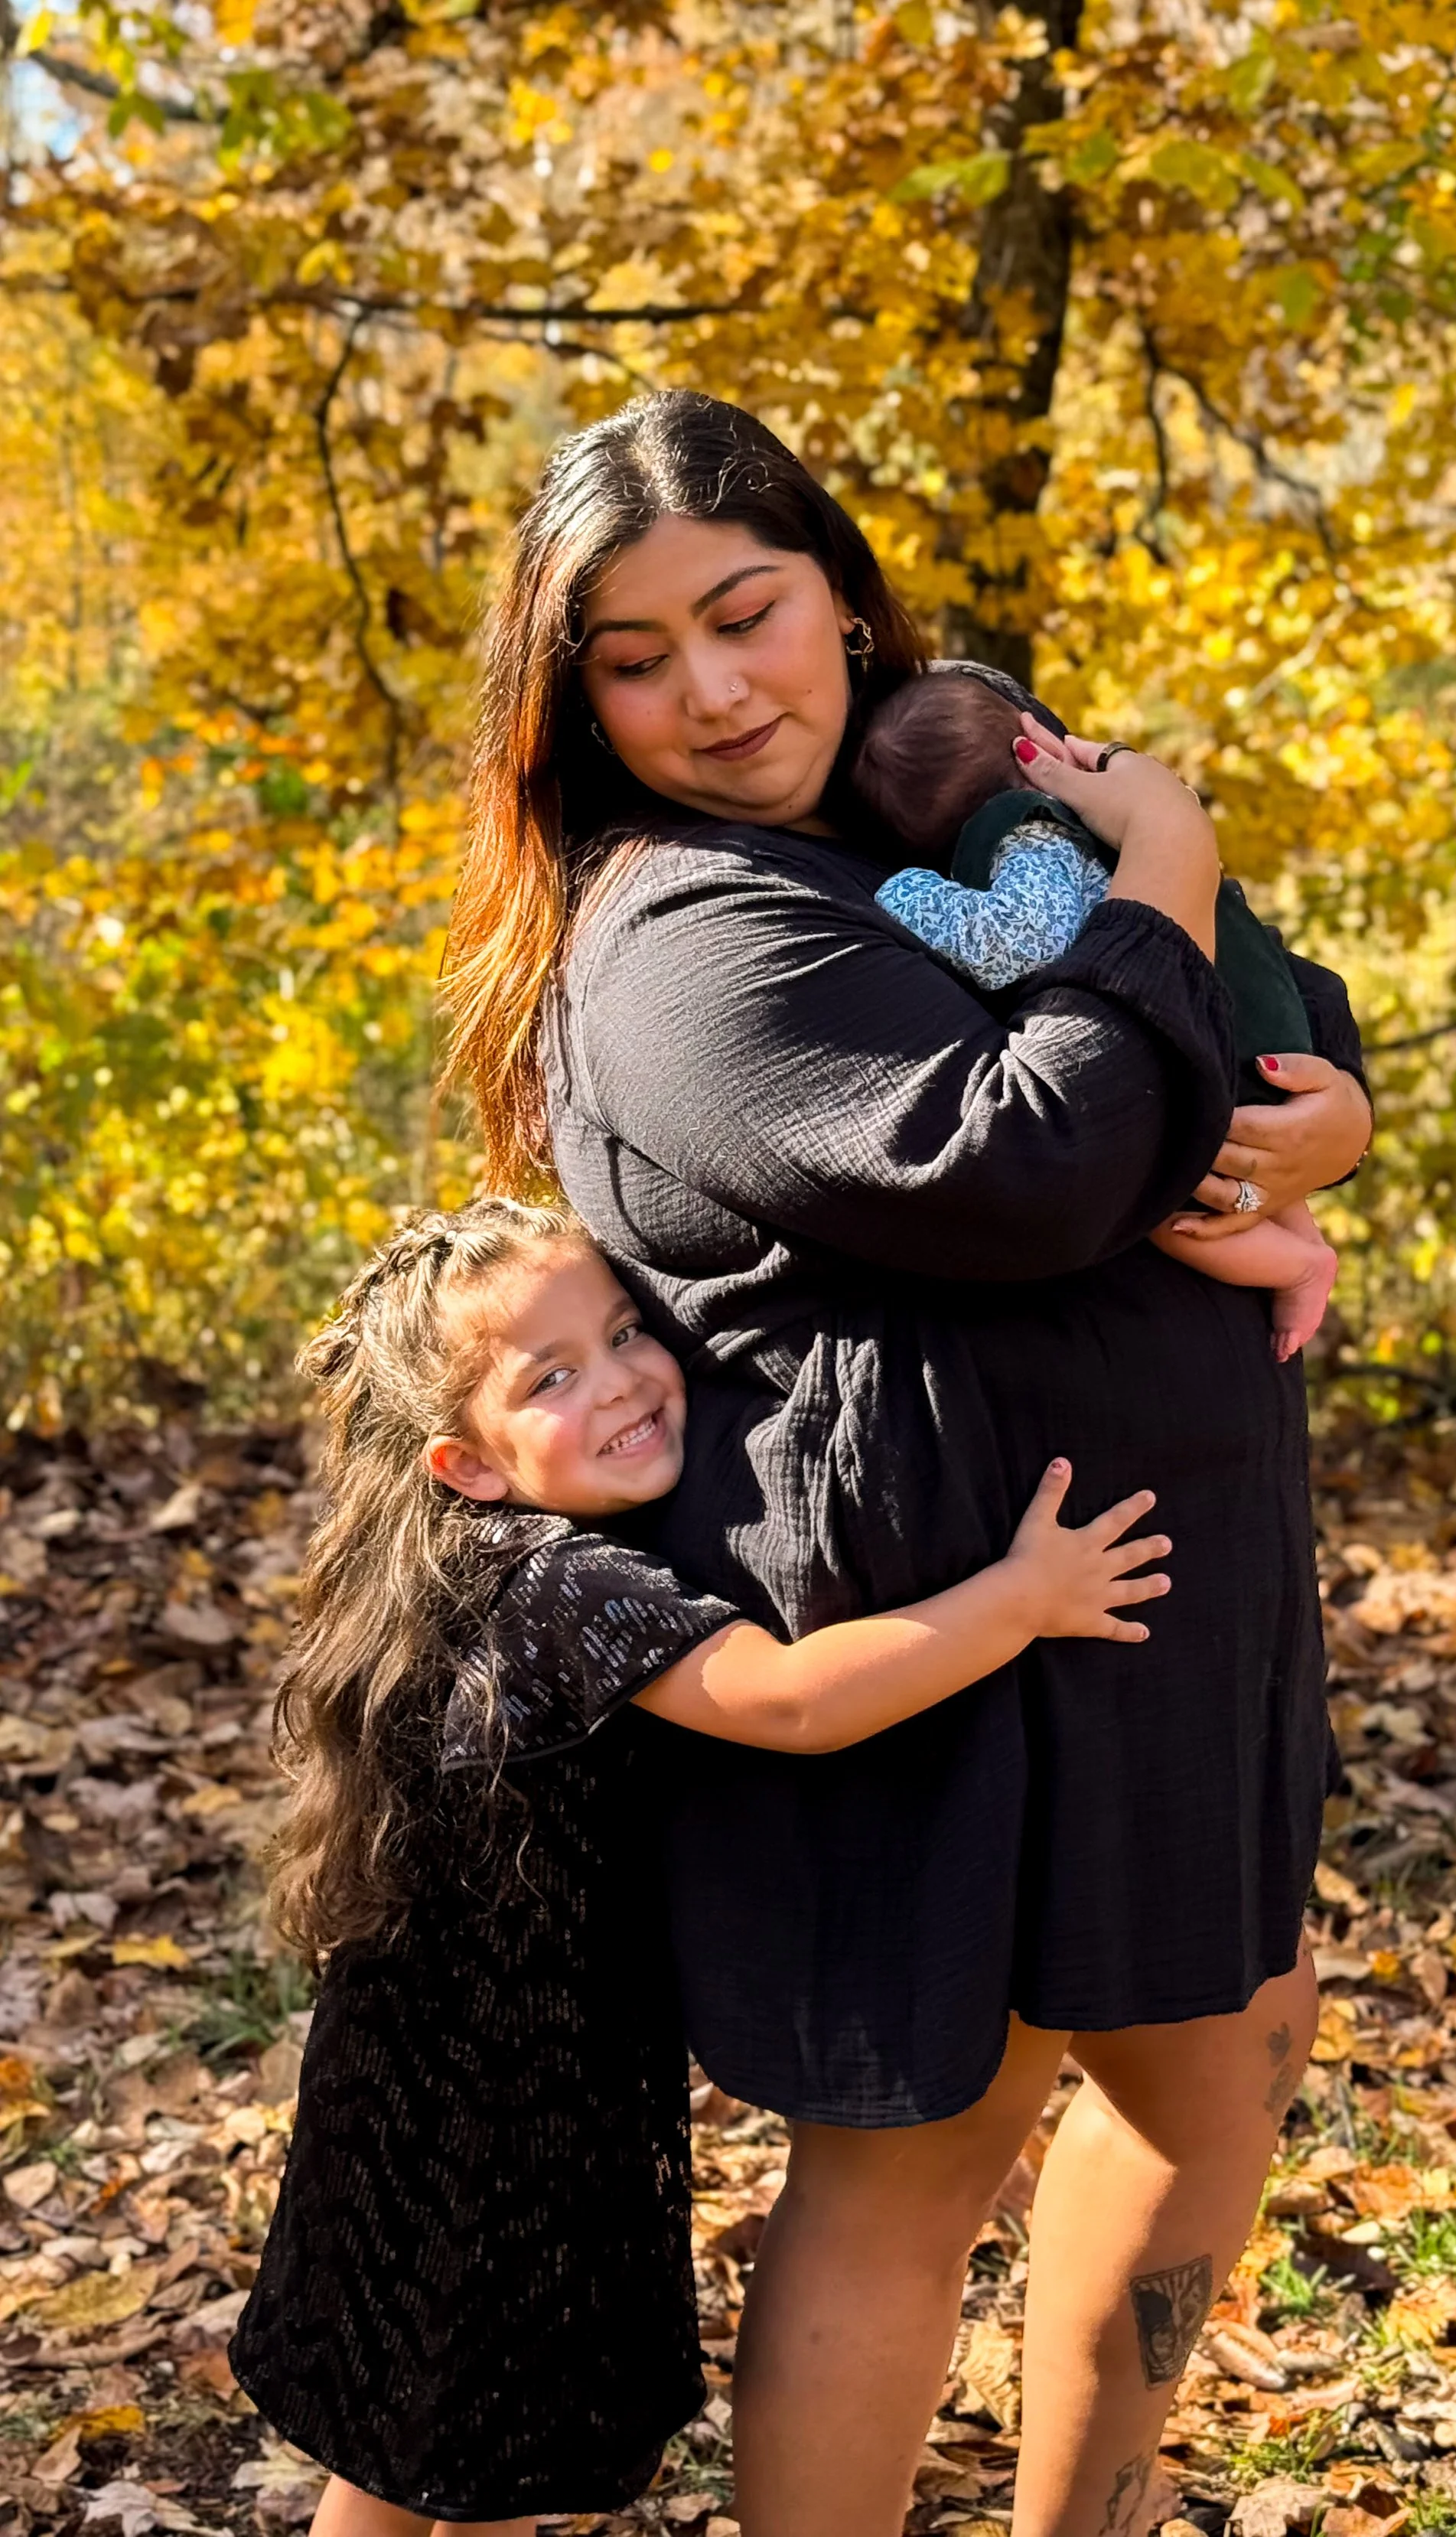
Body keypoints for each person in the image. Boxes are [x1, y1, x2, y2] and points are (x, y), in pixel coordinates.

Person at [443, 388, 1373, 2537]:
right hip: (916, 1622)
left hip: (1148, 1601)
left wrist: (1327, 1116)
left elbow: (1254, 1017)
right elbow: (1021, 1165)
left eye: (746, 613)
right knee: (914, 2147)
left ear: (841, 604)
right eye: (635, 655)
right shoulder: (684, 933)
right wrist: (1173, 858)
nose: (711, 689)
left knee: (1218, 2044)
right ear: (571, 702)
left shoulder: (928, 810)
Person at [227, 1196, 1169, 2537]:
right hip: (519, 2106)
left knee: (400, 2433)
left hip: (405, 2067)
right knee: (484, 2439)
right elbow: (790, 1699)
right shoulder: (569, 1589)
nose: (618, 1381)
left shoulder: (457, 1561)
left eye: (621, 1332)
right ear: (470, 1464)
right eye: (550, 1378)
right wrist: (1018, 1600)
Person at [851, 667, 1337, 1360]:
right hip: (1254, 1025)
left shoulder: (1022, 839)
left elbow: (1015, 942)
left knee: (1162, 1211)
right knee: (1254, 1161)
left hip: (1193, 1041)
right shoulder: (1096, 818)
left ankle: (1296, 1264)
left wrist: (907, 893)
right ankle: (1305, 1236)